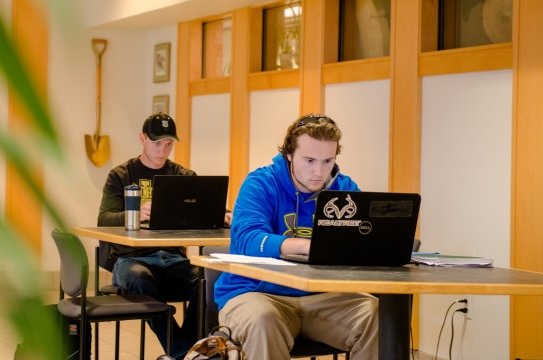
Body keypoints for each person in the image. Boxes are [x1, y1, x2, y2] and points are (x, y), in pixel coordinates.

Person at [214, 113, 378, 359]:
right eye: (309, 160)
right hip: (255, 293)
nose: (318, 171)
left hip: (324, 296)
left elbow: (362, 240)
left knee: (376, 313)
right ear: (289, 154)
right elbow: (248, 239)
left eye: (327, 161)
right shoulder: (260, 184)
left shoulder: (345, 189)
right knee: (263, 321)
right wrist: (304, 246)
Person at [97, 112, 229, 359]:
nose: (163, 150)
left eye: (168, 144)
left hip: (173, 259)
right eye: (157, 143)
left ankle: (188, 349)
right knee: (139, 278)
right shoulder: (121, 175)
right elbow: (104, 219)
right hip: (130, 260)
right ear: (142, 138)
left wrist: (221, 214)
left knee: (209, 280)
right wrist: (136, 212)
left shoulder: (184, 176)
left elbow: (202, 211)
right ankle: (183, 353)